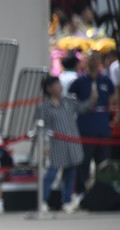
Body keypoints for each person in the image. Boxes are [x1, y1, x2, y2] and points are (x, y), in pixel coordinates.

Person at [68, 51, 115, 203]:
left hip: (102, 126)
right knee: (84, 162)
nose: (94, 62)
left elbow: (112, 100)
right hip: (86, 126)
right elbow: (71, 102)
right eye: (91, 59)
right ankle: (81, 191)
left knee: (103, 162)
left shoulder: (106, 81)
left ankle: (104, 192)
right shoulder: (79, 82)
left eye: (96, 59)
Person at [35, 75, 85, 212]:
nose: (60, 87)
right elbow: (41, 127)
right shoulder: (44, 107)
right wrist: (44, 144)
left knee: (70, 174)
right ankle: (43, 200)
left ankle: (67, 201)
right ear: (49, 89)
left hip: (72, 142)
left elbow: (82, 108)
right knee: (51, 173)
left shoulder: (68, 102)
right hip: (55, 144)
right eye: (57, 85)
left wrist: (93, 99)